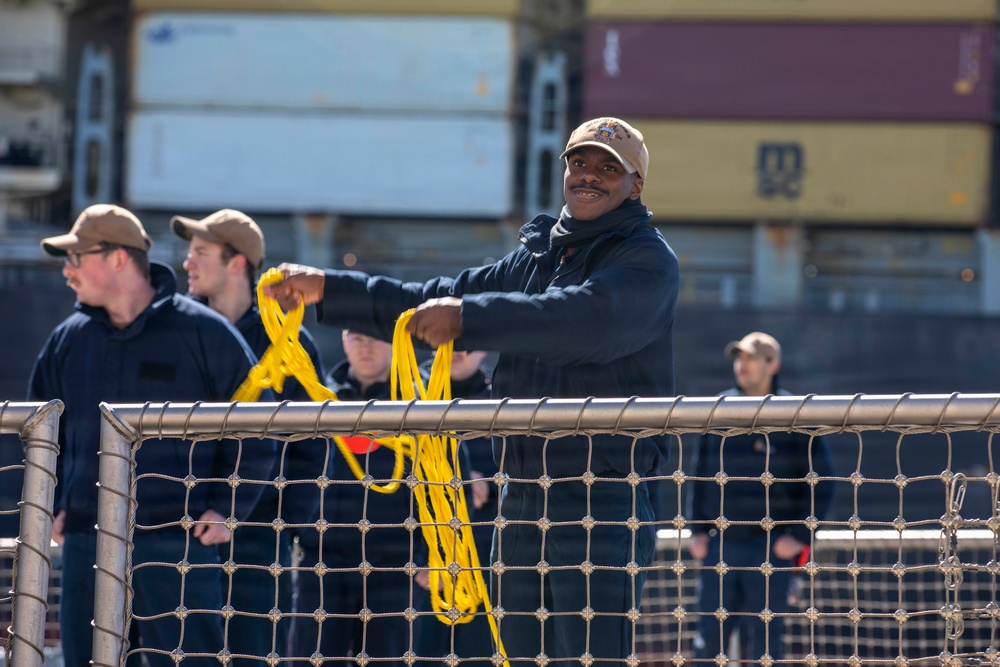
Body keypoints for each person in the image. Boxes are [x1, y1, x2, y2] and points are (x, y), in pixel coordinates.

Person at [266, 117, 680, 664]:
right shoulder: (536, 258)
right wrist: (328, 289)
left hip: (601, 500)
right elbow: (431, 298)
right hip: (522, 495)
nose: (589, 176)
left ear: (636, 186)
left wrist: (468, 318)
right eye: (579, 163)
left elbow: (584, 322)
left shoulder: (648, 261)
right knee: (514, 653)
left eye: (609, 168)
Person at [28, 204, 277, 667]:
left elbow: (259, 426)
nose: (66, 271)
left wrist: (227, 508)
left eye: (77, 258)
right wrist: (57, 500)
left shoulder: (204, 333)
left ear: (119, 259)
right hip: (88, 543)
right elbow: (39, 432)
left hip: (176, 545)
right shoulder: (68, 340)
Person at [171, 208, 328, 665]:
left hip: (260, 542)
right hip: (179, 531)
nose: (188, 263)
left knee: (253, 655)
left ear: (236, 262)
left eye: (200, 252)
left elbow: (313, 446)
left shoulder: (291, 346)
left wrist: (288, 526)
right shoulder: (177, 331)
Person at [687, 332, 835, 663]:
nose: (742, 364)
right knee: (708, 645)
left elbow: (822, 483)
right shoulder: (717, 409)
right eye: (739, 357)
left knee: (766, 648)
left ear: (773, 364)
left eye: (752, 357)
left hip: (771, 549)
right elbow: (698, 475)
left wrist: (798, 537)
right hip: (721, 545)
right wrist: (697, 530)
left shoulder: (794, 414)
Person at [288, 330, 414, 667]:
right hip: (323, 558)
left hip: (396, 562)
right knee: (308, 658)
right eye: (356, 337)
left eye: (374, 336)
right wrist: (300, 525)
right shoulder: (319, 401)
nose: (366, 345)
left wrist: (434, 556)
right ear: (343, 341)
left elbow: (443, 481)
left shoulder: (420, 404)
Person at [414, 350, 495, 667]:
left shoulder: (503, 400)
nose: (458, 350)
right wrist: (422, 558)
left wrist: (487, 481)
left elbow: (527, 473)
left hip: (485, 560)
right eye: (450, 340)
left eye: (468, 342)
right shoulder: (410, 394)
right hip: (419, 566)